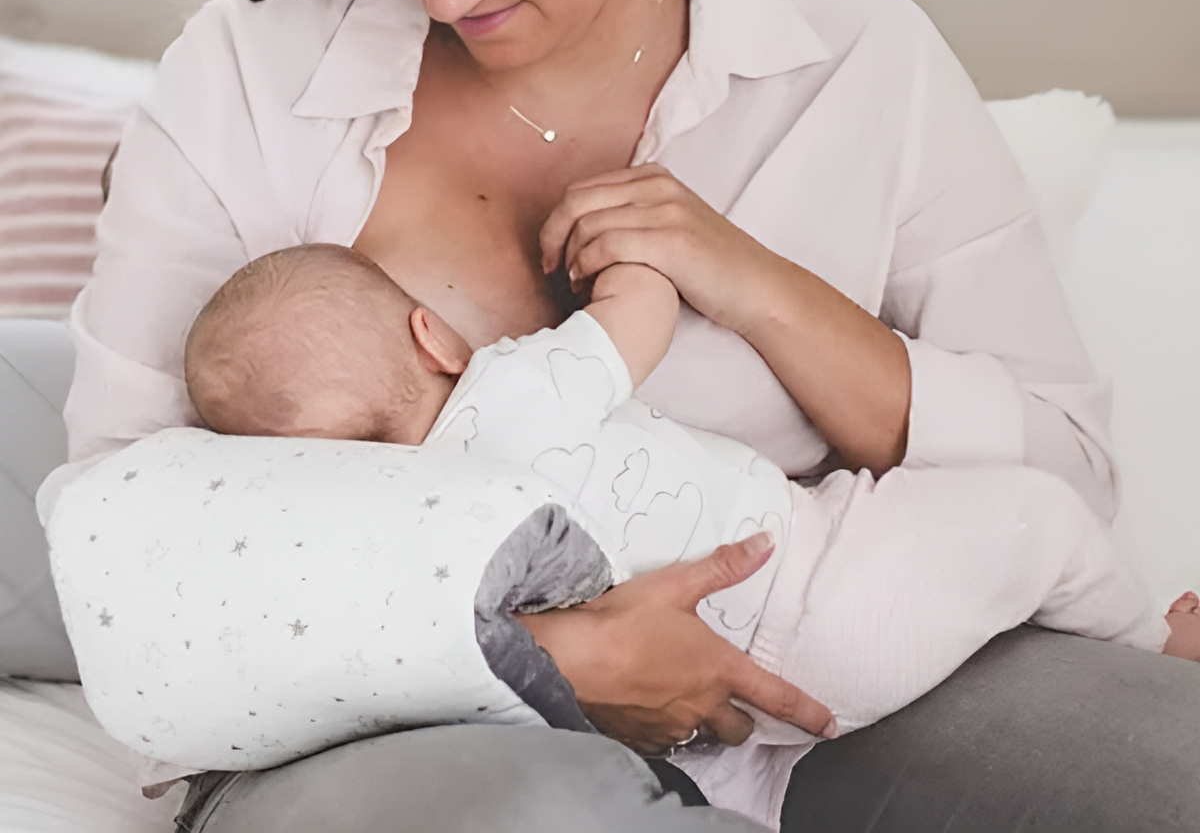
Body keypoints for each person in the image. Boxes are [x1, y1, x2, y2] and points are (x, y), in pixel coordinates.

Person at [53, 0, 1200, 829]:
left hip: (818, 673)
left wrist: (753, 284)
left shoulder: (859, 62)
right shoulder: (243, 80)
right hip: (400, 713)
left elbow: (1060, 472)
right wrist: (539, 655)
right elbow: (123, 529)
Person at [180, 242, 1196, 826]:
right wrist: (631, 265)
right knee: (1037, 514)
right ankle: (1151, 642)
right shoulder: (513, 386)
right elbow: (639, 318)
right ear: (428, 334)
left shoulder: (397, 525)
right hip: (816, 594)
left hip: (705, 722)